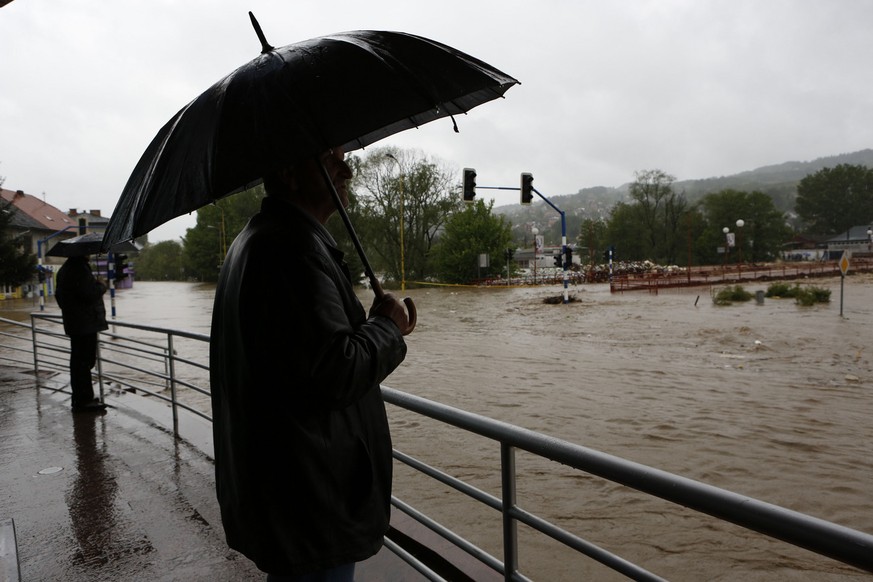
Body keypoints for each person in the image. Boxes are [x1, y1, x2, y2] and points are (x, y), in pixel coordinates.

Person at [210, 147, 414, 581]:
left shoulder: (261, 239)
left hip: (289, 489)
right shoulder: (292, 249)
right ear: (290, 171)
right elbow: (333, 372)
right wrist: (387, 328)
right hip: (312, 498)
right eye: (330, 157)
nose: (348, 168)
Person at [54, 254, 109, 412]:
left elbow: (60, 296)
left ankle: (80, 399)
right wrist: (101, 285)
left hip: (76, 323)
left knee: (79, 362)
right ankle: (84, 401)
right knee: (84, 362)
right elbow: (89, 294)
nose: (90, 254)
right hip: (85, 324)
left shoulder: (65, 269)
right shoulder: (79, 269)